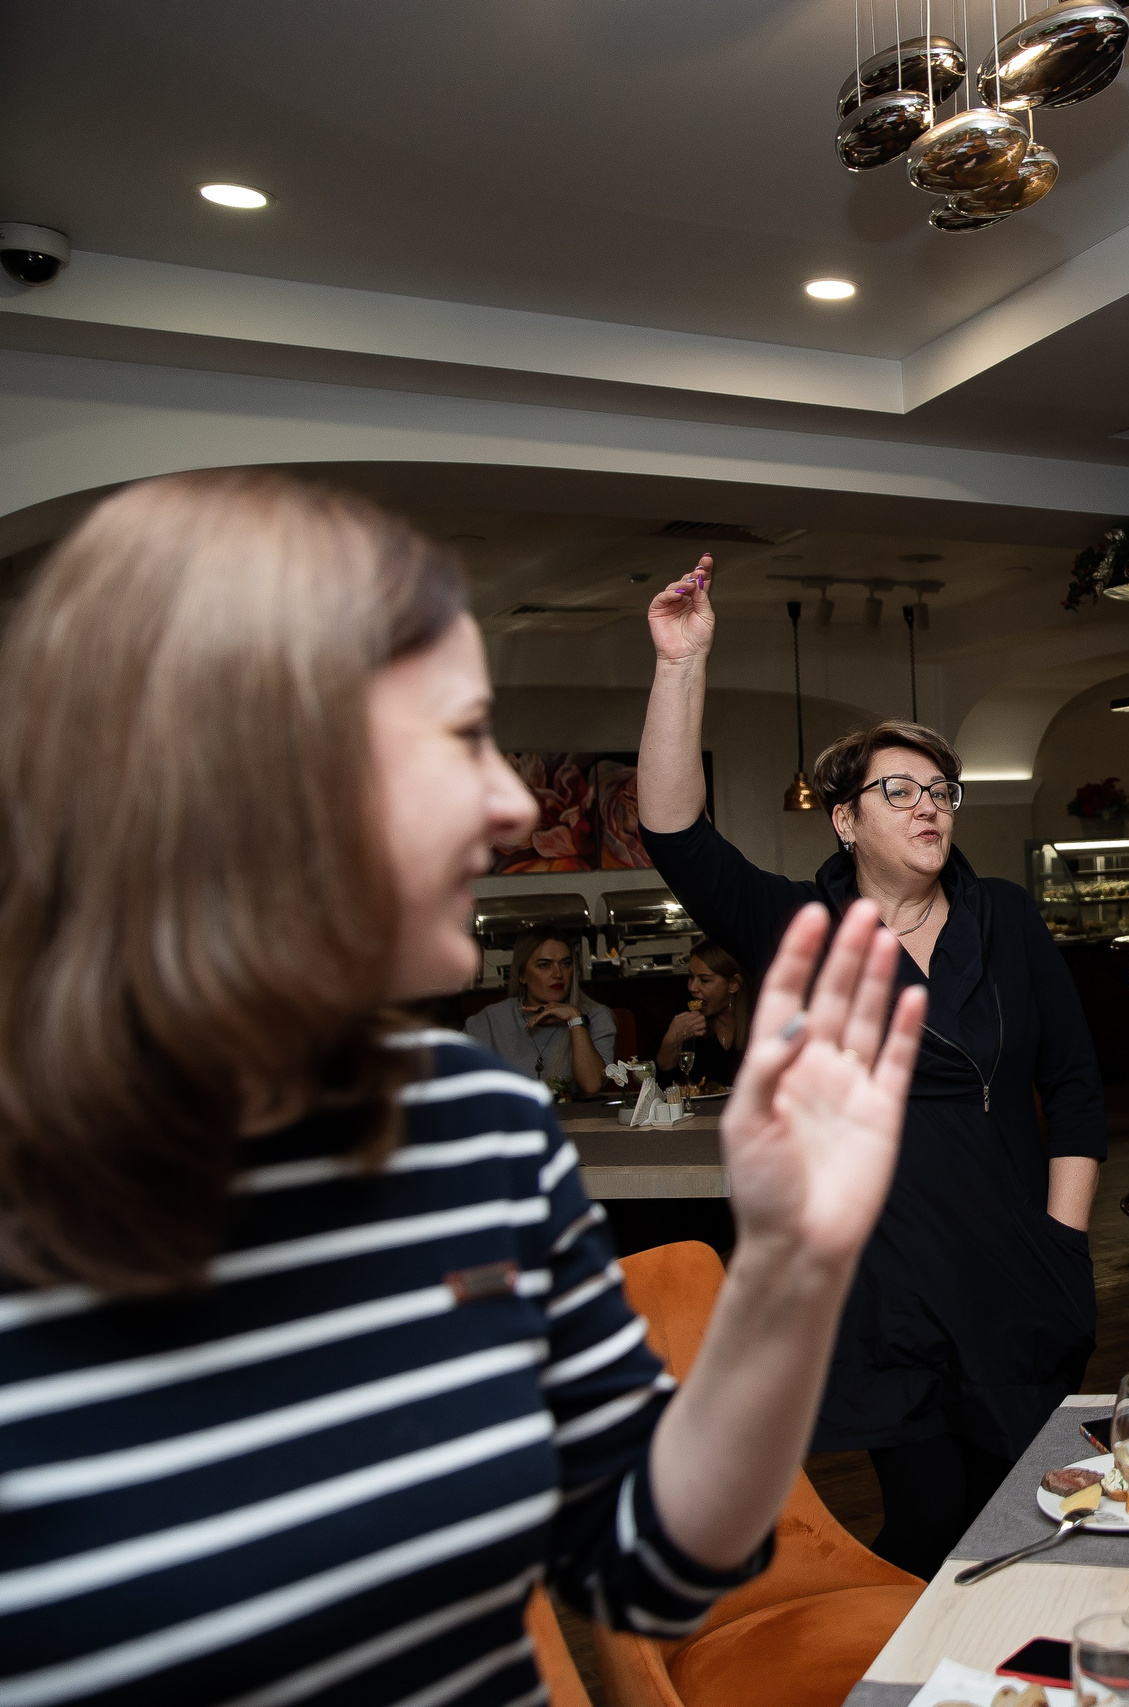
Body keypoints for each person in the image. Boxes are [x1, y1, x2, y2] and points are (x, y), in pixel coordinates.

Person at [0, 471, 922, 1706]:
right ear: (242, 772)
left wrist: (790, 1269)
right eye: (456, 738)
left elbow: (657, 1571)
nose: (507, 804)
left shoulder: (477, 1132)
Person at [636, 557, 1104, 1578]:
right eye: (900, 790)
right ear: (845, 819)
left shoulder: (1008, 922)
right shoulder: (799, 927)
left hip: (1016, 1275)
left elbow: (1073, 1083)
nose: (929, 805)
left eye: (941, 790)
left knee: (1032, 1525)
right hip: (886, 1289)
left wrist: (1064, 1242)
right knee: (933, 1528)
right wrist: (682, 665)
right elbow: (674, 832)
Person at [465, 928, 618, 1092]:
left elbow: (592, 1084)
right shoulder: (489, 1021)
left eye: (565, 964)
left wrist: (576, 1019)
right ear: (522, 975)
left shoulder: (596, 1016)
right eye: (545, 965)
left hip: (575, 1117)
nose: (558, 974)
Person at [658, 936, 751, 1088]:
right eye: (691, 977)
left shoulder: (760, 1019)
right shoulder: (684, 1014)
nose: (692, 987)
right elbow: (664, 1084)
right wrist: (671, 1039)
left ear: (733, 985)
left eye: (704, 980)